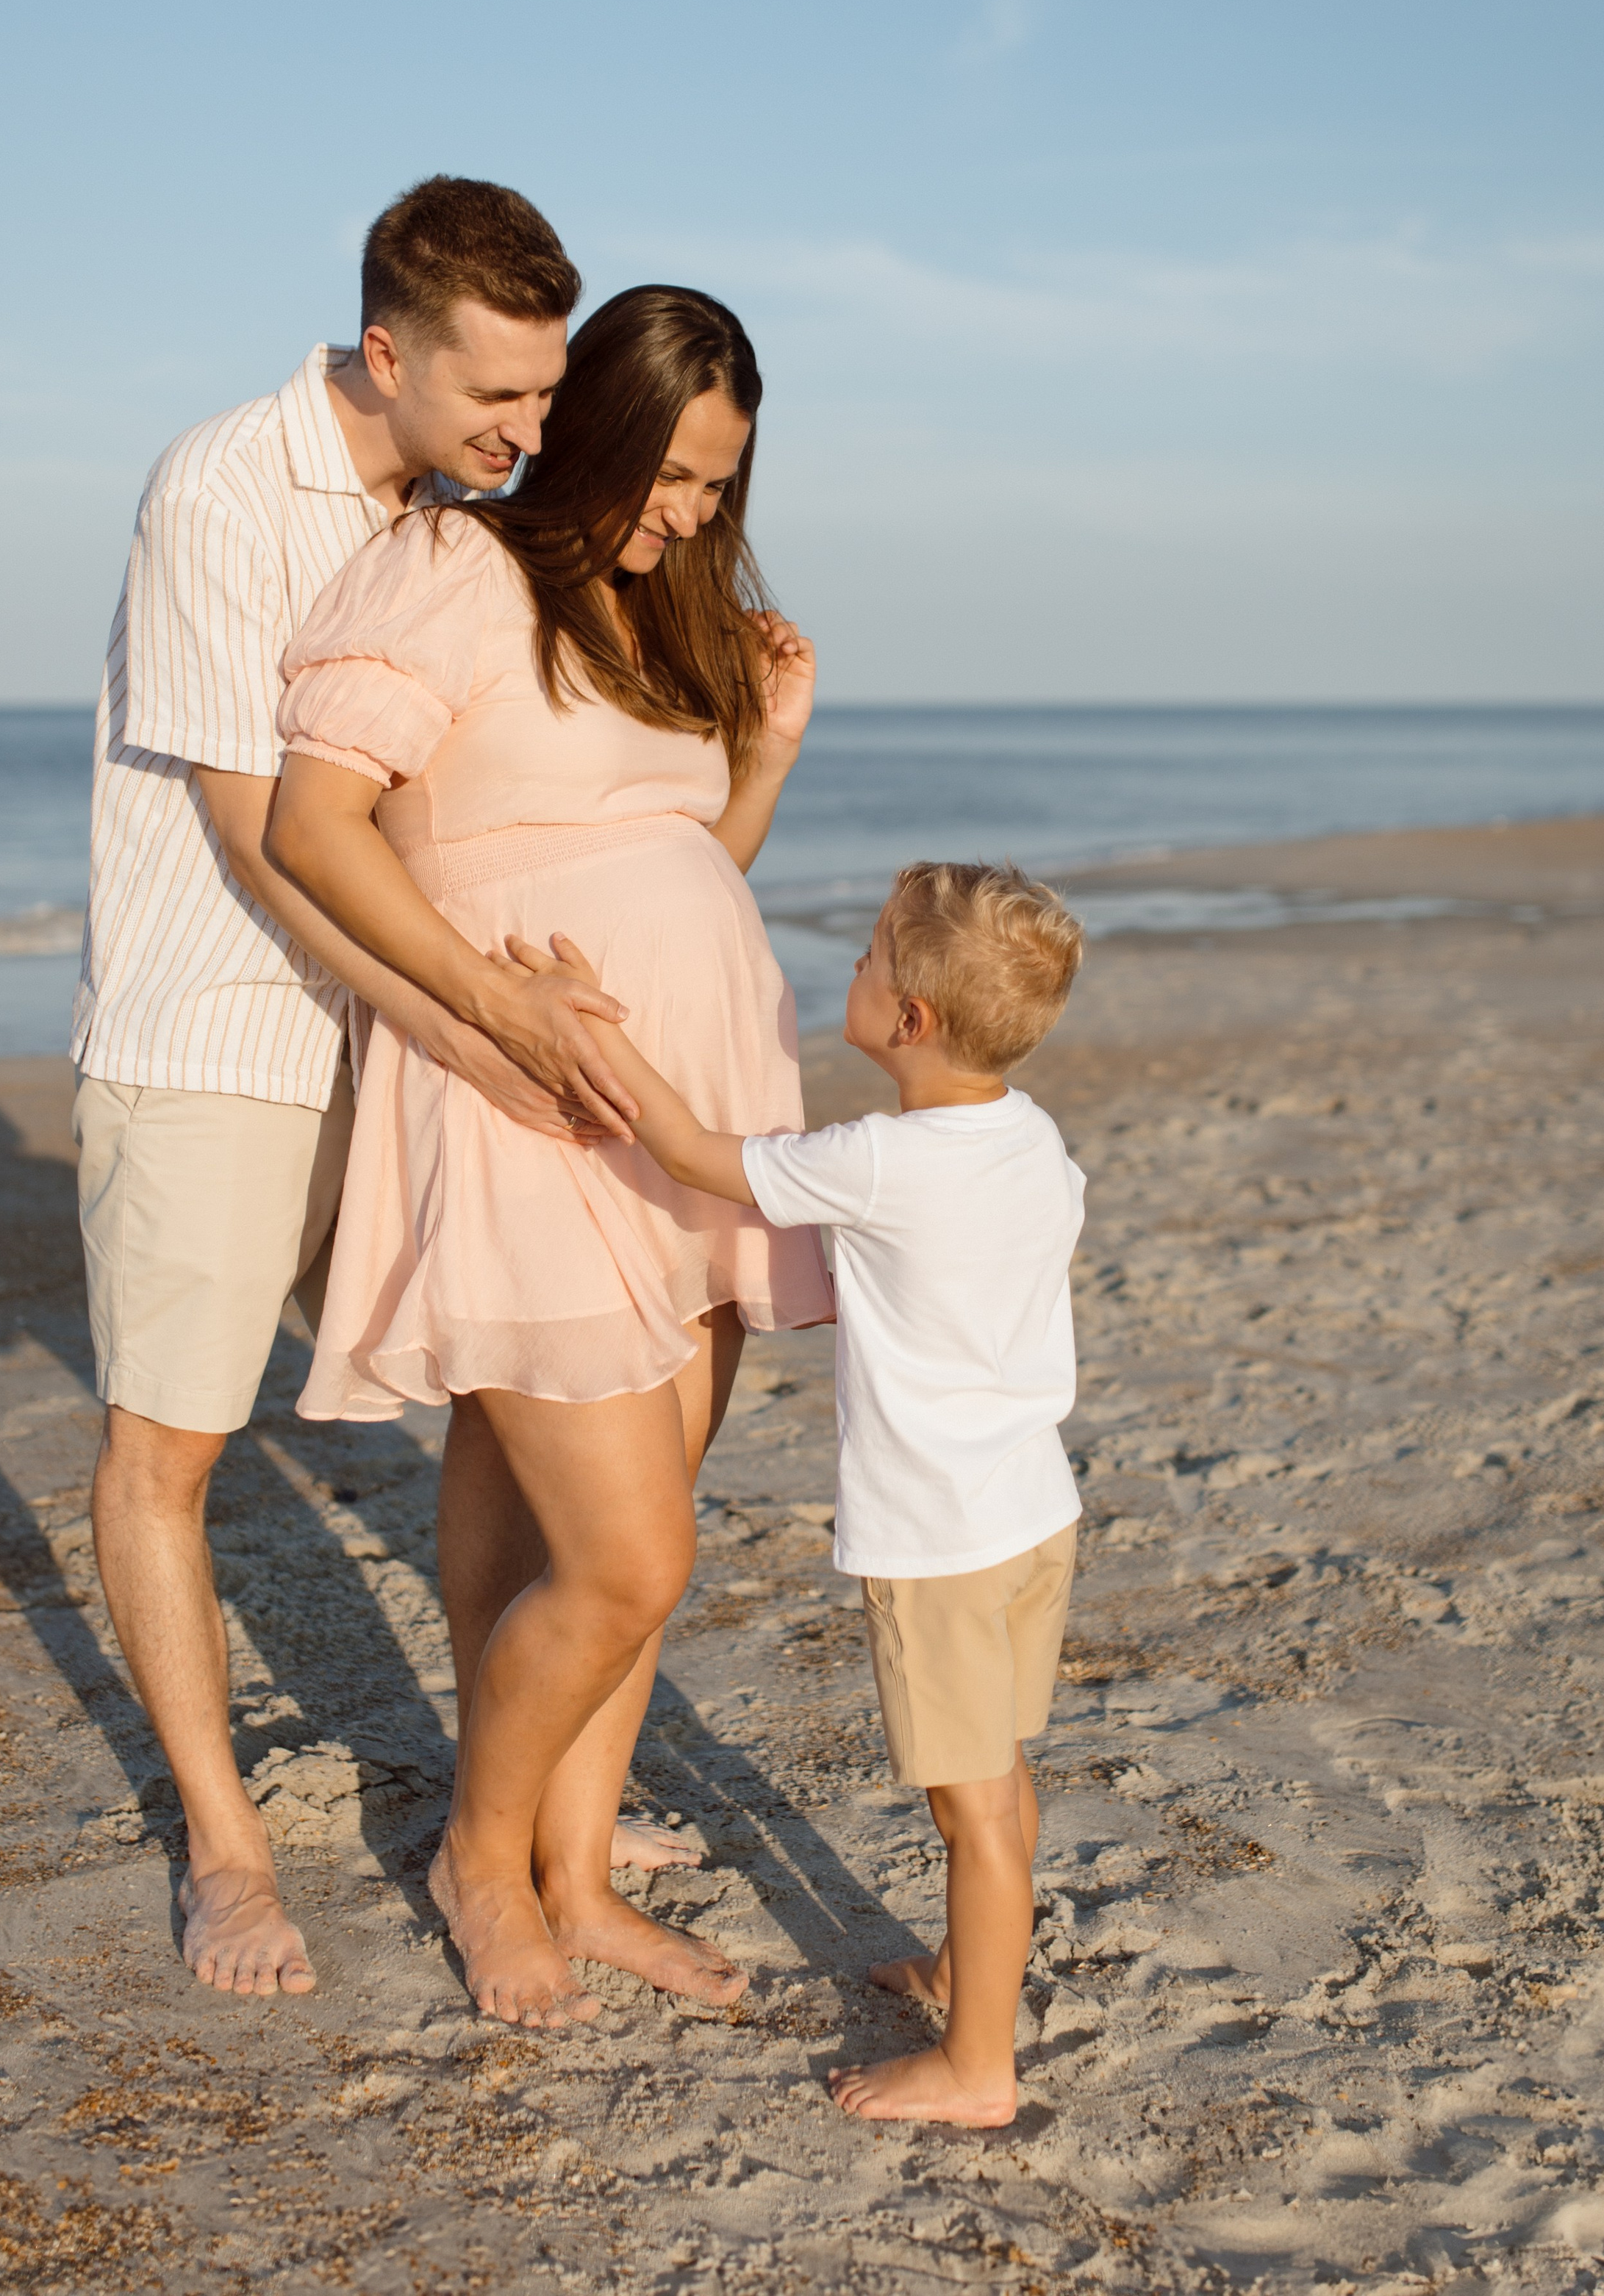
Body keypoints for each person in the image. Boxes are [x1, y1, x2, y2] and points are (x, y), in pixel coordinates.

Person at [71, 176, 637, 2003]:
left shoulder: (448, 507)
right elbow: (264, 838)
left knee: (484, 1385)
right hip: (223, 1026)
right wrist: (481, 1018)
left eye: (546, 400)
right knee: (170, 1447)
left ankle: (499, 1828)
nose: (526, 433)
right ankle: (227, 1858)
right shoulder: (222, 488)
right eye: (498, 397)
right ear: (384, 352)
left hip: (389, 1025)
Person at [266, 286, 835, 2026]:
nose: (687, 514)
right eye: (667, 474)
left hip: (695, 1112)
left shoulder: (663, 614)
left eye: (717, 489)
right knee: (626, 1553)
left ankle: (576, 1880)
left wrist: (769, 751)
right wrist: (487, 1014)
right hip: (522, 1095)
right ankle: (479, 1857)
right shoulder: (452, 571)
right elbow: (311, 823)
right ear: (585, 426)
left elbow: (685, 864)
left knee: (629, 1525)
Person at [528, 861, 1086, 2123]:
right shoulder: (1032, 1139)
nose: (855, 966)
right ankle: (963, 1971)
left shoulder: (883, 1161)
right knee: (1000, 1773)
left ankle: (977, 2066)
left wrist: (579, 1018)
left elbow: (686, 1149)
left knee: (975, 1814)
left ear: (911, 1024)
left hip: (942, 1539)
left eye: (872, 957)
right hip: (1032, 1511)